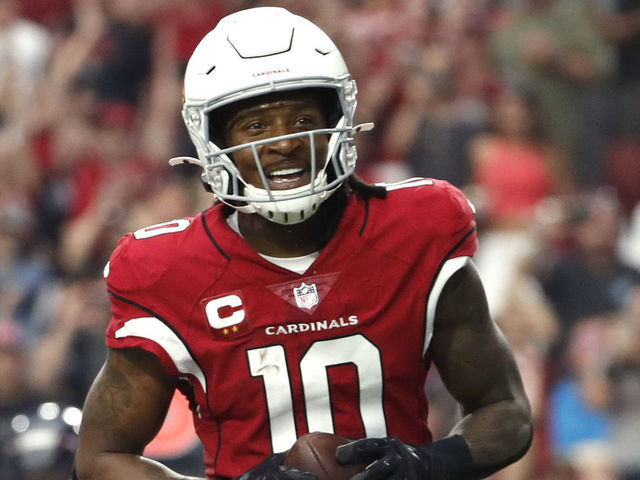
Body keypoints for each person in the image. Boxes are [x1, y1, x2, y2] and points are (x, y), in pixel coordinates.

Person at [75, 7, 532, 480]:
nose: (283, 143)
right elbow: (100, 460)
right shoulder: (167, 269)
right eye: (255, 127)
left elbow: (506, 410)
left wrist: (428, 464)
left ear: (338, 121)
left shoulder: (416, 230)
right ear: (211, 141)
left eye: (301, 119)